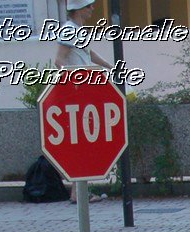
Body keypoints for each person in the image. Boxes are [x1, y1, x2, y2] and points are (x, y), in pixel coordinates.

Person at [55, 0, 113, 204]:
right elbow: (59, 60)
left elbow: (88, 54)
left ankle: (77, 193)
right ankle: (78, 193)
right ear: (79, 9)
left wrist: (107, 66)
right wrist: (73, 82)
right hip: (78, 94)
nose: (92, 9)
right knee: (82, 141)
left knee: (85, 142)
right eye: (89, 6)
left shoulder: (79, 30)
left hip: (87, 90)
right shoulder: (69, 29)